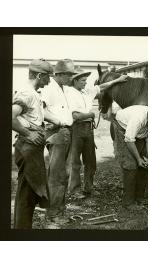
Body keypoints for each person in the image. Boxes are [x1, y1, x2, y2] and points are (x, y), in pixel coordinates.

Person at [67, 67, 128, 198]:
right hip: (76, 128)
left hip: (88, 128)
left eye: (86, 80)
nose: (85, 83)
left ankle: (89, 187)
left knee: (90, 160)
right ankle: (74, 190)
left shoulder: (86, 91)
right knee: (75, 161)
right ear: (75, 80)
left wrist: (118, 80)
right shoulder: (69, 93)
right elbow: (75, 116)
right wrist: (90, 114)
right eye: (83, 80)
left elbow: (102, 86)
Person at [12, 59, 53, 229]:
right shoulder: (27, 93)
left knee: (30, 193)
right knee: (26, 194)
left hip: (33, 150)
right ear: (39, 75)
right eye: (47, 77)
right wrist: (28, 133)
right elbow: (10, 116)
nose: (49, 81)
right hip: (27, 149)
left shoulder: (34, 93)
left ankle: (23, 228)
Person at [112, 105, 148, 209]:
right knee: (130, 164)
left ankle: (139, 197)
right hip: (123, 129)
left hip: (138, 133)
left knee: (146, 163)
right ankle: (128, 202)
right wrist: (138, 159)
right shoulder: (137, 119)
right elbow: (129, 140)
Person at [41, 59, 77, 224]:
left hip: (66, 132)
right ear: (60, 74)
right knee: (57, 175)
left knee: (64, 174)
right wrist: (58, 121)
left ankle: (59, 211)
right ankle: (54, 214)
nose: (71, 78)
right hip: (56, 132)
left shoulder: (63, 88)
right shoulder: (49, 88)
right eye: (69, 75)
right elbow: (40, 110)